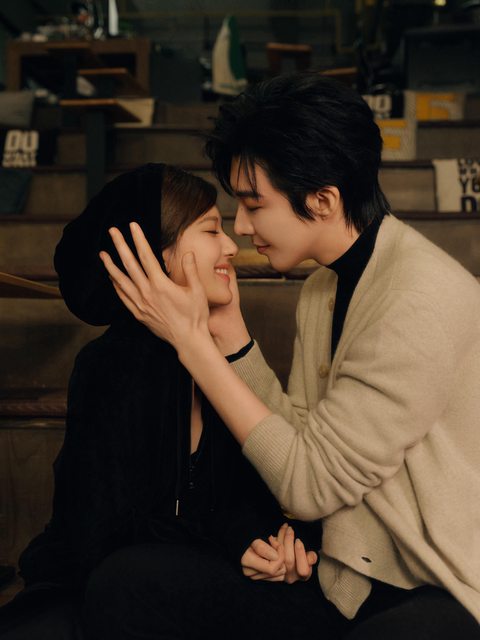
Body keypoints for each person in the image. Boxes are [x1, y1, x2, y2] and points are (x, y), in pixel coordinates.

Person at [100, 74, 480, 639]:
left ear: (323, 200)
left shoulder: (418, 299)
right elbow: (301, 439)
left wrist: (192, 342)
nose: (241, 227)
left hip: (435, 585)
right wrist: (229, 333)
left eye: (254, 204)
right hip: (344, 578)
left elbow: (307, 484)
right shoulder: (322, 288)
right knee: (129, 582)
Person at [0, 163, 325, 640]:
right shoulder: (110, 364)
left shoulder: (220, 354)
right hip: (124, 583)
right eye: (211, 230)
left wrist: (281, 547)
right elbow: (100, 533)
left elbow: (272, 488)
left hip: (200, 582)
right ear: (155, 253)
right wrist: (233, 540)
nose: (231, 246)